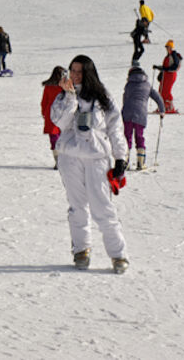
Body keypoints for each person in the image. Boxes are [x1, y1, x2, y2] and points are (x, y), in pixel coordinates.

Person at [51, 54, 130, 274]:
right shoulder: (63, 98)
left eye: (80, 71)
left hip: (97, 158)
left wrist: (120, 157)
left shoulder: (103, 98)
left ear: (89, 73)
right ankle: (81, 250)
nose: (75, 75)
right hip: (70, 157)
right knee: (77, 206)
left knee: (102, 206)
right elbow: (60, 122)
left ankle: (118, 254)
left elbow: (115, 128)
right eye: (72, 71)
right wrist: (70, 97)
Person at [122, 63, 165, 170]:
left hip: (127, 113)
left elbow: (125, 98)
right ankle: (140, 163)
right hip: (140, 114)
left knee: (126, 137)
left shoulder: (128, 85)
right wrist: (162, 110)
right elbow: (158, 98)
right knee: (139, 136)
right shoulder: (147, 85)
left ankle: (125, 162)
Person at [41, 67, 66, 169]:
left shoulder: (48, 87)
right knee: (64, 138)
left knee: (54, 138)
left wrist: (44, 113)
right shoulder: (64, 87)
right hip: (63, 115)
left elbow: (44, 101)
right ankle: (63, 160)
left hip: (50, 115)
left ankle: (58, 161)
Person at [154, 40, 183, 114]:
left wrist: (165, 69)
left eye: (168, 47)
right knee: (161, 90)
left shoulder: (173, 55)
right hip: (166, 75)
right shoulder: (168, 56)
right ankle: (162, 107)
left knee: (166, 91)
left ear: (171, 48)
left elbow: (174, 66)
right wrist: (159, 69)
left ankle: (170, 107)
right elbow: (165, 67)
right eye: (166, 47)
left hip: (170, 75)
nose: (167, 49)